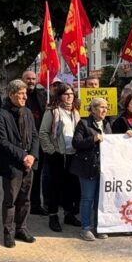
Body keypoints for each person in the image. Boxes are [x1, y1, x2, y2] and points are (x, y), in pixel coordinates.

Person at [0, 79, 41, 247]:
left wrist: (32, 156)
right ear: (11, 94)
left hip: (29, 164)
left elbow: (35, 135)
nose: (24, 97)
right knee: (10, 200)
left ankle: (22, 228)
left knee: (25, 199)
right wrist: (23, 156)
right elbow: (2, 141)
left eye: (25, 93)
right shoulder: (1, 115)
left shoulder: (27, 112)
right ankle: (8, 232)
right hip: (12, 165)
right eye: (21, 94)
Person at [38, 82, 82, 232]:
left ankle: (69, 214)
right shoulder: (53, 112)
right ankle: (53, 216)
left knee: (71, 187)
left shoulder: (75, 112)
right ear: (59, 96)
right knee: (55, 187)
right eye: (66, 94)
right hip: (57, 154)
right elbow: (43, 133)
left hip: (72, 154)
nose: (69, 97)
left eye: (71, 94)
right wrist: (51, 151)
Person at [71, 96, 112, 241]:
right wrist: (93, 139)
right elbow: (76, 143)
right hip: (87, 166)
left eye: (106, 107)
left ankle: (99, 226)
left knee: (100, 199)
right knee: (87, 198)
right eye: (101, 107)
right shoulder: (83, 123)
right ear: (93, 109)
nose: (104, 110)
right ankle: (86, 227)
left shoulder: (107, 124)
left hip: (102, 167)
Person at [23, 70, 48, 215]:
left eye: (33, 78)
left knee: (37, 175)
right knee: (25, 176)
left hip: (40, 141)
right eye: (28, 79)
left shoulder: (42, 95)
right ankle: (23, 205)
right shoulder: (19, 95)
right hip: (25, 142)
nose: (31, 81)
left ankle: (36, 205)